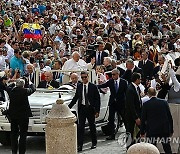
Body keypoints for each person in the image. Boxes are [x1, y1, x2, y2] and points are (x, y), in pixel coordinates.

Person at [68, 71, 100, 152]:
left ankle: (94, 142)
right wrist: (68, 107)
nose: (84, 79)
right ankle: (80, 145)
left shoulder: (93, 86)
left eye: (85, 77)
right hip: (82, 108)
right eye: (82, 77)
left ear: (88, 77)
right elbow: (76, 98)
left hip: (90, 108)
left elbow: (97, 99)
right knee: (80, 127)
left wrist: (97, 110)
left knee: (92, 125)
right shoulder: (79, 86)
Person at [140, 87, 173, 154]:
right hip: (164, 129)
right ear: (156, 93)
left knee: (152, 148)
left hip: (152, 129)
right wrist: (171, 129)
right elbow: (169, 117)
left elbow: (143, 119)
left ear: (148, 94)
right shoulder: (164, 102)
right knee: (167, 147)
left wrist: (142, 131)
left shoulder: (146, 104)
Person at [98, 69, 128, 140]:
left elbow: (126, 93)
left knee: (124, 118)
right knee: (111, 119)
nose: (113, 76)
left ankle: (128, 132)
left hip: (121, 103)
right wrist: (94, 86)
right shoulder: (110, 81)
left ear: (118, 74)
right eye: (112, 75)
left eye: (114, 74)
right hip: (112, 103)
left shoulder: (124, 82)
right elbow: (103, 85)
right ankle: (112, 134)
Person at [8, 78, 36, 154]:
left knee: (13, 134)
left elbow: (7, 86)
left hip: (13, 115)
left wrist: (13, 83)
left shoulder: (11, 91)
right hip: (23, 116)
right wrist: (30, 83)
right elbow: (33, 89)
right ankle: (22, 152)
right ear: (23, 85)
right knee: (23, 134)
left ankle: (14, 151)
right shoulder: (25, 91)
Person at [125, 73, 142, 142]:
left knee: (139, 131)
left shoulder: (137, 88)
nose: (141, 80)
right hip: (131, 116)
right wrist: (136, 118)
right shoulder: (130, 89)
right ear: (137, 79)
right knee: (130, 132)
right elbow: (131, 105)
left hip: (137, 114)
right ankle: (129, 147)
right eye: (140, 79)